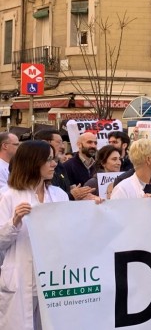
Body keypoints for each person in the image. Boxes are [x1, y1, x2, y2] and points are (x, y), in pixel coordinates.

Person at [0, 140, 69, 329]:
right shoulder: (8, 196)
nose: (54, 163)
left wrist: (96, 208)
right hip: (21, 279)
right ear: (32, 162)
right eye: (48, 159)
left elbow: (73, 232)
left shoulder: (59, 195)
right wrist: (13, 222)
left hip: (54, 279)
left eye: (53, 159)